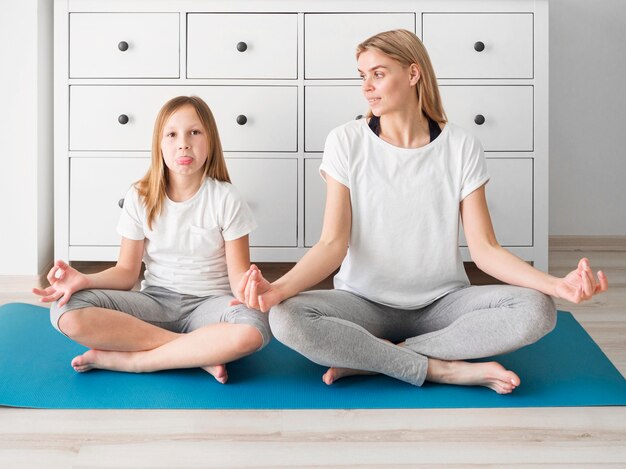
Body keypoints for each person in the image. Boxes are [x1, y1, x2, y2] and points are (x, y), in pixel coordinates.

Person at [232, 29, 609, 394]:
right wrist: (277, 289)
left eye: (378, 74)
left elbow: (485, 250)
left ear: (413, 73)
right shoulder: (345, 141)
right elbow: (332, 244)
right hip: (362, 302)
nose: (366, 87)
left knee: (538, 309)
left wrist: (556, 285)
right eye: (363, 76)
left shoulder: (461, 145)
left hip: (442, 303)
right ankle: (442, 369)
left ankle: (378, 357)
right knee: (287, 317)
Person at [33, 96, 271, 383]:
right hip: (155, 303)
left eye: (194, 132)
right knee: (65, 310)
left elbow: (237, 280)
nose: (183, 143)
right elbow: (125, 274)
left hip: (210, 305)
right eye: (172, 134)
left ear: (211, 141)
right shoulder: (140, 196)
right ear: (160, 144)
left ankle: (138, 361)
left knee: (254, 328)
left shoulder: (226, 198)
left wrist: (250, 288)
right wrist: (84, 280)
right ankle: (198, 353)